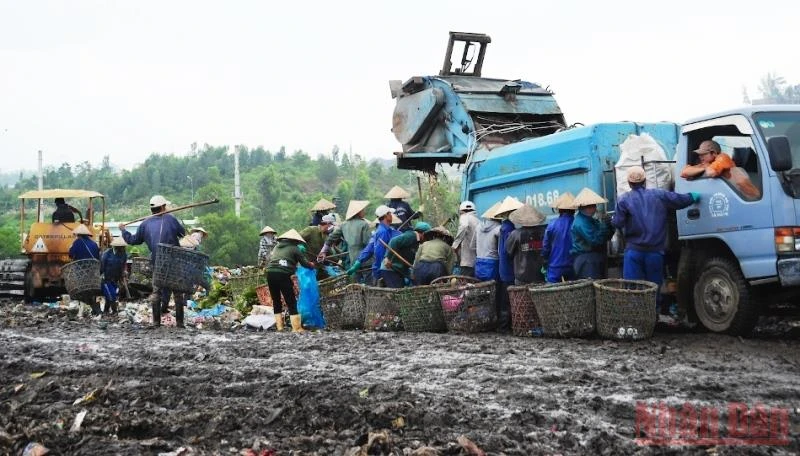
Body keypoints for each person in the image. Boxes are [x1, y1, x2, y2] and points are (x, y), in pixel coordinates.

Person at [612, 166, 698, 317]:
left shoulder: (624, 199)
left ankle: (637, 318)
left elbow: (618, 223)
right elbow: (680, 200)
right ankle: (654, 316)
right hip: (655, 252)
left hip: (634, 252)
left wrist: (613, 220)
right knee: (654, 286)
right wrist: (694, 196)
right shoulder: (659, 195)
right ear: (645, 181)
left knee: (634, 287)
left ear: (629, 183)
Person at [120, 195, 186, 328]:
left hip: (157, 262)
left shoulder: (145, 223)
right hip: (173, 261)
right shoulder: (171, 219)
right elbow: (182, 233)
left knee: (157, 291)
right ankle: (179, 323)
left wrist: (123, 231)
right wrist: (172, 215)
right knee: (178, 292)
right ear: (163, 207)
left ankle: (156, 322)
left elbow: (133, 240)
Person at [267, 229, 316, 332]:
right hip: (282, 274)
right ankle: (296, 328)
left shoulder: (277, 246)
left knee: (276, 300)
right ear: (295, 240)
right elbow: (304, 263)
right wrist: (311, 265)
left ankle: (280, 327)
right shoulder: (294, 248)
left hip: (270, 273)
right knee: (290, 300)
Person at [679, 139, 760, 199]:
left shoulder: (723, 157)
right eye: (699, 155)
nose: (700, 157)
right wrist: (703, 167)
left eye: (703, 154)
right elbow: (684, 173)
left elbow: (711, 172)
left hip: (748, 196)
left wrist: (705, 167)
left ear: (713, 153)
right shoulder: (707, 163)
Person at [347, 205, 400, 285]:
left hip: (384, 268)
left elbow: (370, 247)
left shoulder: (385, 230)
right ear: (386, 215)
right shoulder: (383, 232)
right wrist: (380, 269)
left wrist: (359, 261)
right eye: (390, 213)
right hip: (384, 269)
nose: (391, 216)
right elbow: (379, 253)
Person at [319, 200, 372, 280]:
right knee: (369, 283)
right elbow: (367, 243)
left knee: (357, 284)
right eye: (363, 210)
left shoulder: (344, 225)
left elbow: (331, 238)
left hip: (353, 260)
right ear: (358, 212)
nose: (364, 212)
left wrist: (323, 251)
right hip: (366, 260)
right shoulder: (364, 224)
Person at [570, 188, 614, 279]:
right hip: (587, 260)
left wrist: (610, 227)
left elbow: (605, 237)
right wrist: (604, 226)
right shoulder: (581, 223)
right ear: (587, 207)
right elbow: (595, 240)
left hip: (593, 258)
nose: (595, 208)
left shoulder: (590, 220)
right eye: (593, 206)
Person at [495, 196, 524, 330]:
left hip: (503, 267)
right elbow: (508, 250)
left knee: (505, 297)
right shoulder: (509, 229)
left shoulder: (504, 227)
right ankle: (504, 326)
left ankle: (504, 325)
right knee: (507, 299)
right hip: (508, 267)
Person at [505, 204, 548, 285]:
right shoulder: (544, 232)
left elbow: (508, 252)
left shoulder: (515, 234)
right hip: (540, 276)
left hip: (522, 277)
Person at [381, 222, 431, 288]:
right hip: (390, 268)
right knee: (397, 292)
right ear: (423, 234)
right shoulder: (411, 236)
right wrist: (387, 258)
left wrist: (411, 274)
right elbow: (394, 241)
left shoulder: (417, 243)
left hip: (399, 270)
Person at [542, 192, 576, 283]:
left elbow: (546, 247)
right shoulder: (577, 223)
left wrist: (544, 259)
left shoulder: (552, 225)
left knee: (552, 294)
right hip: (573, 265)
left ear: (559, 210)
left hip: (555, 266)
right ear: (574, 210)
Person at [68, 224, 102, 315]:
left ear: (78, 234)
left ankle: (84, 308)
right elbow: (98, 257)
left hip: (81, 270)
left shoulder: (76, 243)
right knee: (91, 288)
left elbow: (71, 255)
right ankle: (95, 308)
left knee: (81, 289)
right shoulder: (94, 243)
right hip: (92, 270)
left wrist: (70, 248)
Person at [475, 202, 502, 282]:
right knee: (494, 290)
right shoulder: (499, 229)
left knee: (481, 290)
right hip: (493, 263)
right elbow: (501, 250)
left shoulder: (478, 227)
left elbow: (472, 246)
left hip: (479, 263)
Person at [100, 237, 128, 315]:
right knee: (111, 294)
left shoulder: (124, 254)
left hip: (116, 279)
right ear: (115, 246)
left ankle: (106, 310)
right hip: (106, 278)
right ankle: (115, 311)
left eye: (122, 247)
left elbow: (123, 265)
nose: (122, 248)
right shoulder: (107, 254)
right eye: (120, 247)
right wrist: (100, 275)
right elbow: (102, 266)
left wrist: (124, 273)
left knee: (111, 295)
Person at [453, 200, 480, 277]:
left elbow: (464, 226)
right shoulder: (478, 221)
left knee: (464, 284)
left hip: (466, 260)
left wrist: (455, 245)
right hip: (475, 260)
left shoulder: (464, 217)